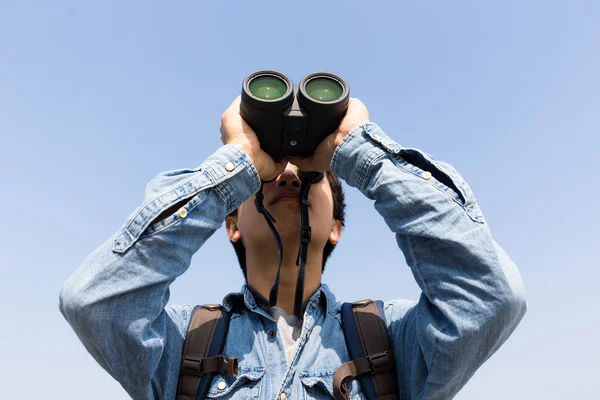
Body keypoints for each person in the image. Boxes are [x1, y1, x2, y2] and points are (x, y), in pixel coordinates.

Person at [59, 95, 527, 400]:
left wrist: (360, 153)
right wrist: (235, 164)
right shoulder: (184, 342)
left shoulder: (389, 339)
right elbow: (95, 302)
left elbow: (491, 299)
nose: (288, 175)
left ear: (337, 227)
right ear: (231, 225)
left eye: (310, 176)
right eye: (265, 178)